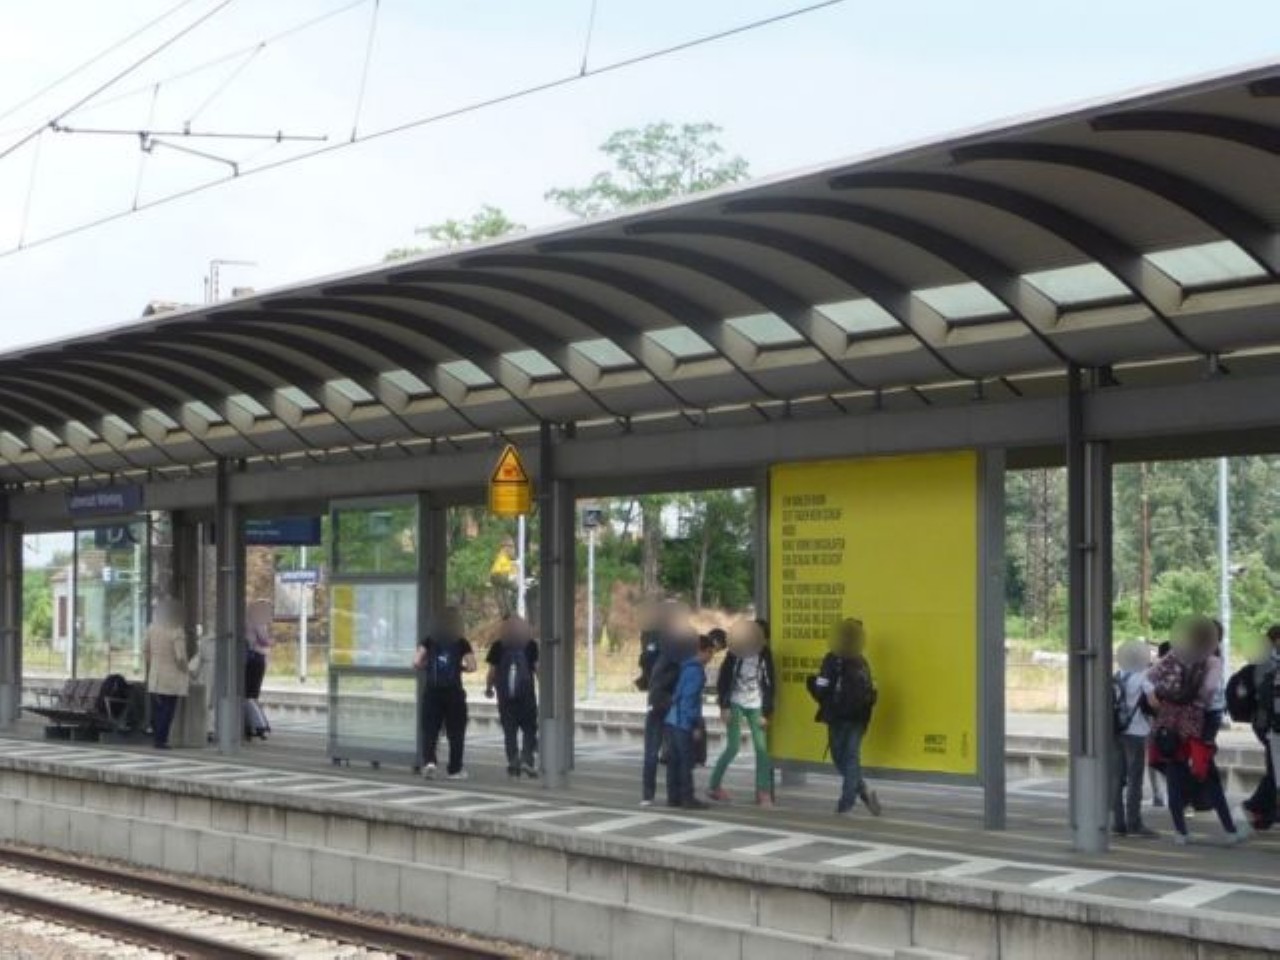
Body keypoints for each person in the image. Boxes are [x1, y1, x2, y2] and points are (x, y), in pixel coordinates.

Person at [1147, 617, 1242, 845]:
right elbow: (1209, 689)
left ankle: (1181, 833)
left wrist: (1159, 699)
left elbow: (1150, 676)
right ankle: (1230, 830)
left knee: (1174, 774)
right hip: (1195, 723)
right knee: (1208, 774)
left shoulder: (1176, 653)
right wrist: (1199, 703)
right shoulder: (1212, 661)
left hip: (1169, 721)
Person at [808, 618, 882, 817]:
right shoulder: (862, 661)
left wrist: (811, 684)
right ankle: (860, 793)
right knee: (851, 758)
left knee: (840, 757)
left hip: (837, 716)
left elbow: (821, 688)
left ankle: (848, 801)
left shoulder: (832, 659)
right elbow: (872, 691)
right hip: (858, 717)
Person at [708, 619, 776, 806]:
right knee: (733, 747)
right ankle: (714, 786)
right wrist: (724, 707)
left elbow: (770, 683)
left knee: (762, 750)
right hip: (735, 702)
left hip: (756, 704)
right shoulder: (734, 652)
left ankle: (763, 792)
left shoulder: (765, 654)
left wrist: (766, 712)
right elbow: (723, 680)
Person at [636, 600, 689, 806]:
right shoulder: (681, 640)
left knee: (652, 749)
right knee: (672, 749)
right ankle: (672, 795)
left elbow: (644, 664)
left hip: (656, 698)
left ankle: (647, 795)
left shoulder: (649, 636)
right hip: (671, 699)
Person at [414, 607, 476, 780]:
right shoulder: (461, 642)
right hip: (454, 693)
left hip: (432, 692)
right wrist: (460, 668)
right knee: (456, 732)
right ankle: (455, 769)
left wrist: (427, 666)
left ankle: (429, 762)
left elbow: (416, 662)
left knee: (430, 729)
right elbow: (472, 666)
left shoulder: (429, 641)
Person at [1112, 639, 1157, 838]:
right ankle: (1134, 823)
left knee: (1117, 778)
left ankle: (1118, 822)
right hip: (1137, 732)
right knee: (1135, 780)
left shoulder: (1116, 676)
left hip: (1117, 731)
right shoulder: (1142, 677)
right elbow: (1154, 702)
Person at [1236, 625, 1280, 829]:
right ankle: (1255, 807)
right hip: (1270, 724)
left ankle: (1264, 815)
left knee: (1275, 770)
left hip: (1268, 724)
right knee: (1275, 772)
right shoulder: (1268, 662)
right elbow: (1267, 697)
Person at [665, 634, 715, 810]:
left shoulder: (684, 666)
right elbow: (689, 700)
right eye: (710, 652)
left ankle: (673, 797)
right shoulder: (696, 672)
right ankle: (687, 798)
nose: (711, 657)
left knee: (674, 761)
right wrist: (695, 725)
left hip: (671, 719)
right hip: (683, 722)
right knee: (686, 761)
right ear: (702, 651)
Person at [486, 615, 539, 778]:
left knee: (509, 731)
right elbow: (537, 668)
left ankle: (513, 762)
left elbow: (492, 672)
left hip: (505, 697)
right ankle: (527, 760)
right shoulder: (530, 645)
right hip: (526, 695)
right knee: (529, 728)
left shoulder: (498, 646)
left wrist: (489, 688)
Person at [144, 597, 191, 750]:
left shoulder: (152, 628)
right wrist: (186, 671)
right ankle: (161, 740)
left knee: (157, 708)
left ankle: (156, 738)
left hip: (155, 675)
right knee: (168, 709)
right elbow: (180, 657)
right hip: (171, 676)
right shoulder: (176, 630)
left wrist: (152, 665)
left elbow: (146, 651)